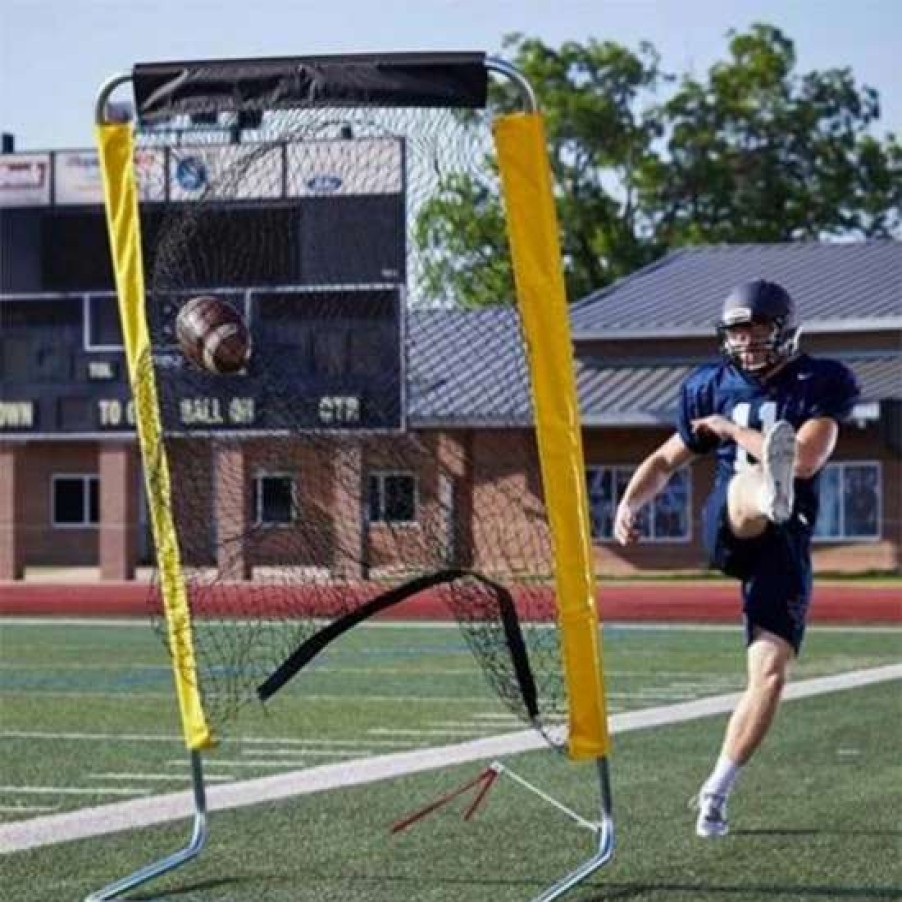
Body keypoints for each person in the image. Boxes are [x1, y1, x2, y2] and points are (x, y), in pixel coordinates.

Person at [612, 279, 860, 838]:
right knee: (753, 484)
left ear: (784, 330)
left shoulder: (820, 381)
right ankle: (762, 491)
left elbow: (807, 457)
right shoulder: (709, 385)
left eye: (758, 330)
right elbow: (664, 460)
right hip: (730, 521)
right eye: (738, 332)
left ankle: (715, 791)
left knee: (770, 675)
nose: (747, 342)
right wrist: (629, 501)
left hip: (785, 540)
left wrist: (729, 428)